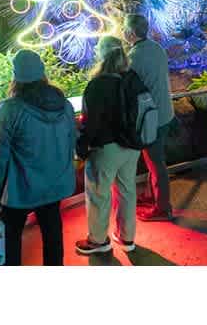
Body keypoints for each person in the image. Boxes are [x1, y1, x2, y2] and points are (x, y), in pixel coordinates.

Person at [0, 50, 77, 266]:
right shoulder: (64, 105)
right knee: (53, 233)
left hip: (20, 191)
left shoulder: (10, 110)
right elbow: (70, 143)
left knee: (11, 242)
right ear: (42, 72)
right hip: (54, 186)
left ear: (16, 76)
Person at [75, 37, 142, 255]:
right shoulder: (132, 78)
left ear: (102, 55)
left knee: (99, 194)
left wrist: (82, 146)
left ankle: (97, 241)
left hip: (106, 147)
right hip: (132, 145)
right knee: (127, 191)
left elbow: (91, 121)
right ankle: (127, 238)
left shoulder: (98, 84)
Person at [123, 14, 175, 221]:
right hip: (165, 113)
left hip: (151, 118)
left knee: (156, 163)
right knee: (154, 159)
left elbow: (128, 87)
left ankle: (163, 209)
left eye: (124, 29)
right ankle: (151, 196)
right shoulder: (157, 48)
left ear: (131, 33)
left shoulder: (134, 57)